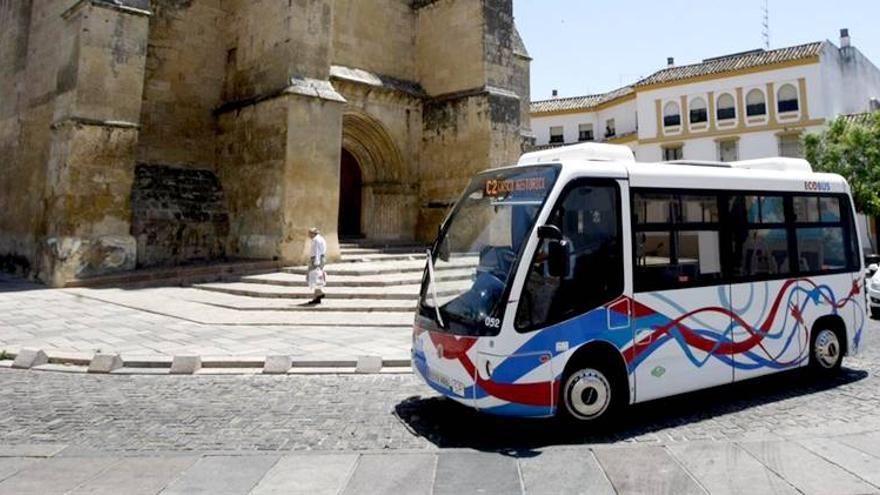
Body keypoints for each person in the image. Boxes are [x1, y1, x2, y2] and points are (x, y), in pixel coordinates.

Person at [306, 227, 327, 304]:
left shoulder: (316, 240)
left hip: (316, 260)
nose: (309, 235)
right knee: (317, 277)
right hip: (321, 259)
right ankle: (316, 298)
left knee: (313, 277)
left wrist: (316, 262)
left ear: (313, 233)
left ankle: (320, 293)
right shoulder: (321, 239)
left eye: (310, 233)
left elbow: (317, 251)